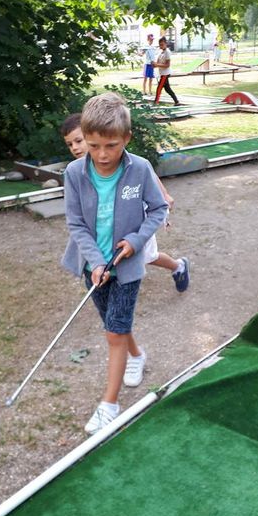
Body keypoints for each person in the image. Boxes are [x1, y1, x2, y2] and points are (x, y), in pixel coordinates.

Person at [62, 93, 169, 434]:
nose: (102, 155)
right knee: (115, 325)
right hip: (91, 266)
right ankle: (136, 356)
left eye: (111, 145)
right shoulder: (74, 173)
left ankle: (110, 404)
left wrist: (136, 241)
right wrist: (94, 262)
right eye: (93, 146)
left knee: (113, 332)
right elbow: (76, 223)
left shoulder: (140, 169)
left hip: (126, 267)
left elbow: (158, 209)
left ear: (127, 139)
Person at [61, 114, 190, 291]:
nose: (75, 148)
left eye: (78, 141)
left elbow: (152, 183)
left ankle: (177, 266)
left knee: (148, 256)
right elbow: (76, 221)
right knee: (142, 257)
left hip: (136, 224)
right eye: (70, 144)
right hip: (106, 245)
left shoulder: (133, 164)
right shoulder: (77, 171)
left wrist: (165, 196)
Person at [153, 36, 181, 106]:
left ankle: (156, 103)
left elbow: (167, 65)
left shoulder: (167, 52)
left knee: (159, 88)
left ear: (166, 43)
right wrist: (154, 64)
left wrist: (157, 65)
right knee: (167, 89)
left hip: (165, 73)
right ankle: (177, 101)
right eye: (160, 45)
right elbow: (158, 62)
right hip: (162, 73)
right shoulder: (161, 52)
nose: (161, 46)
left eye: (162, 44)